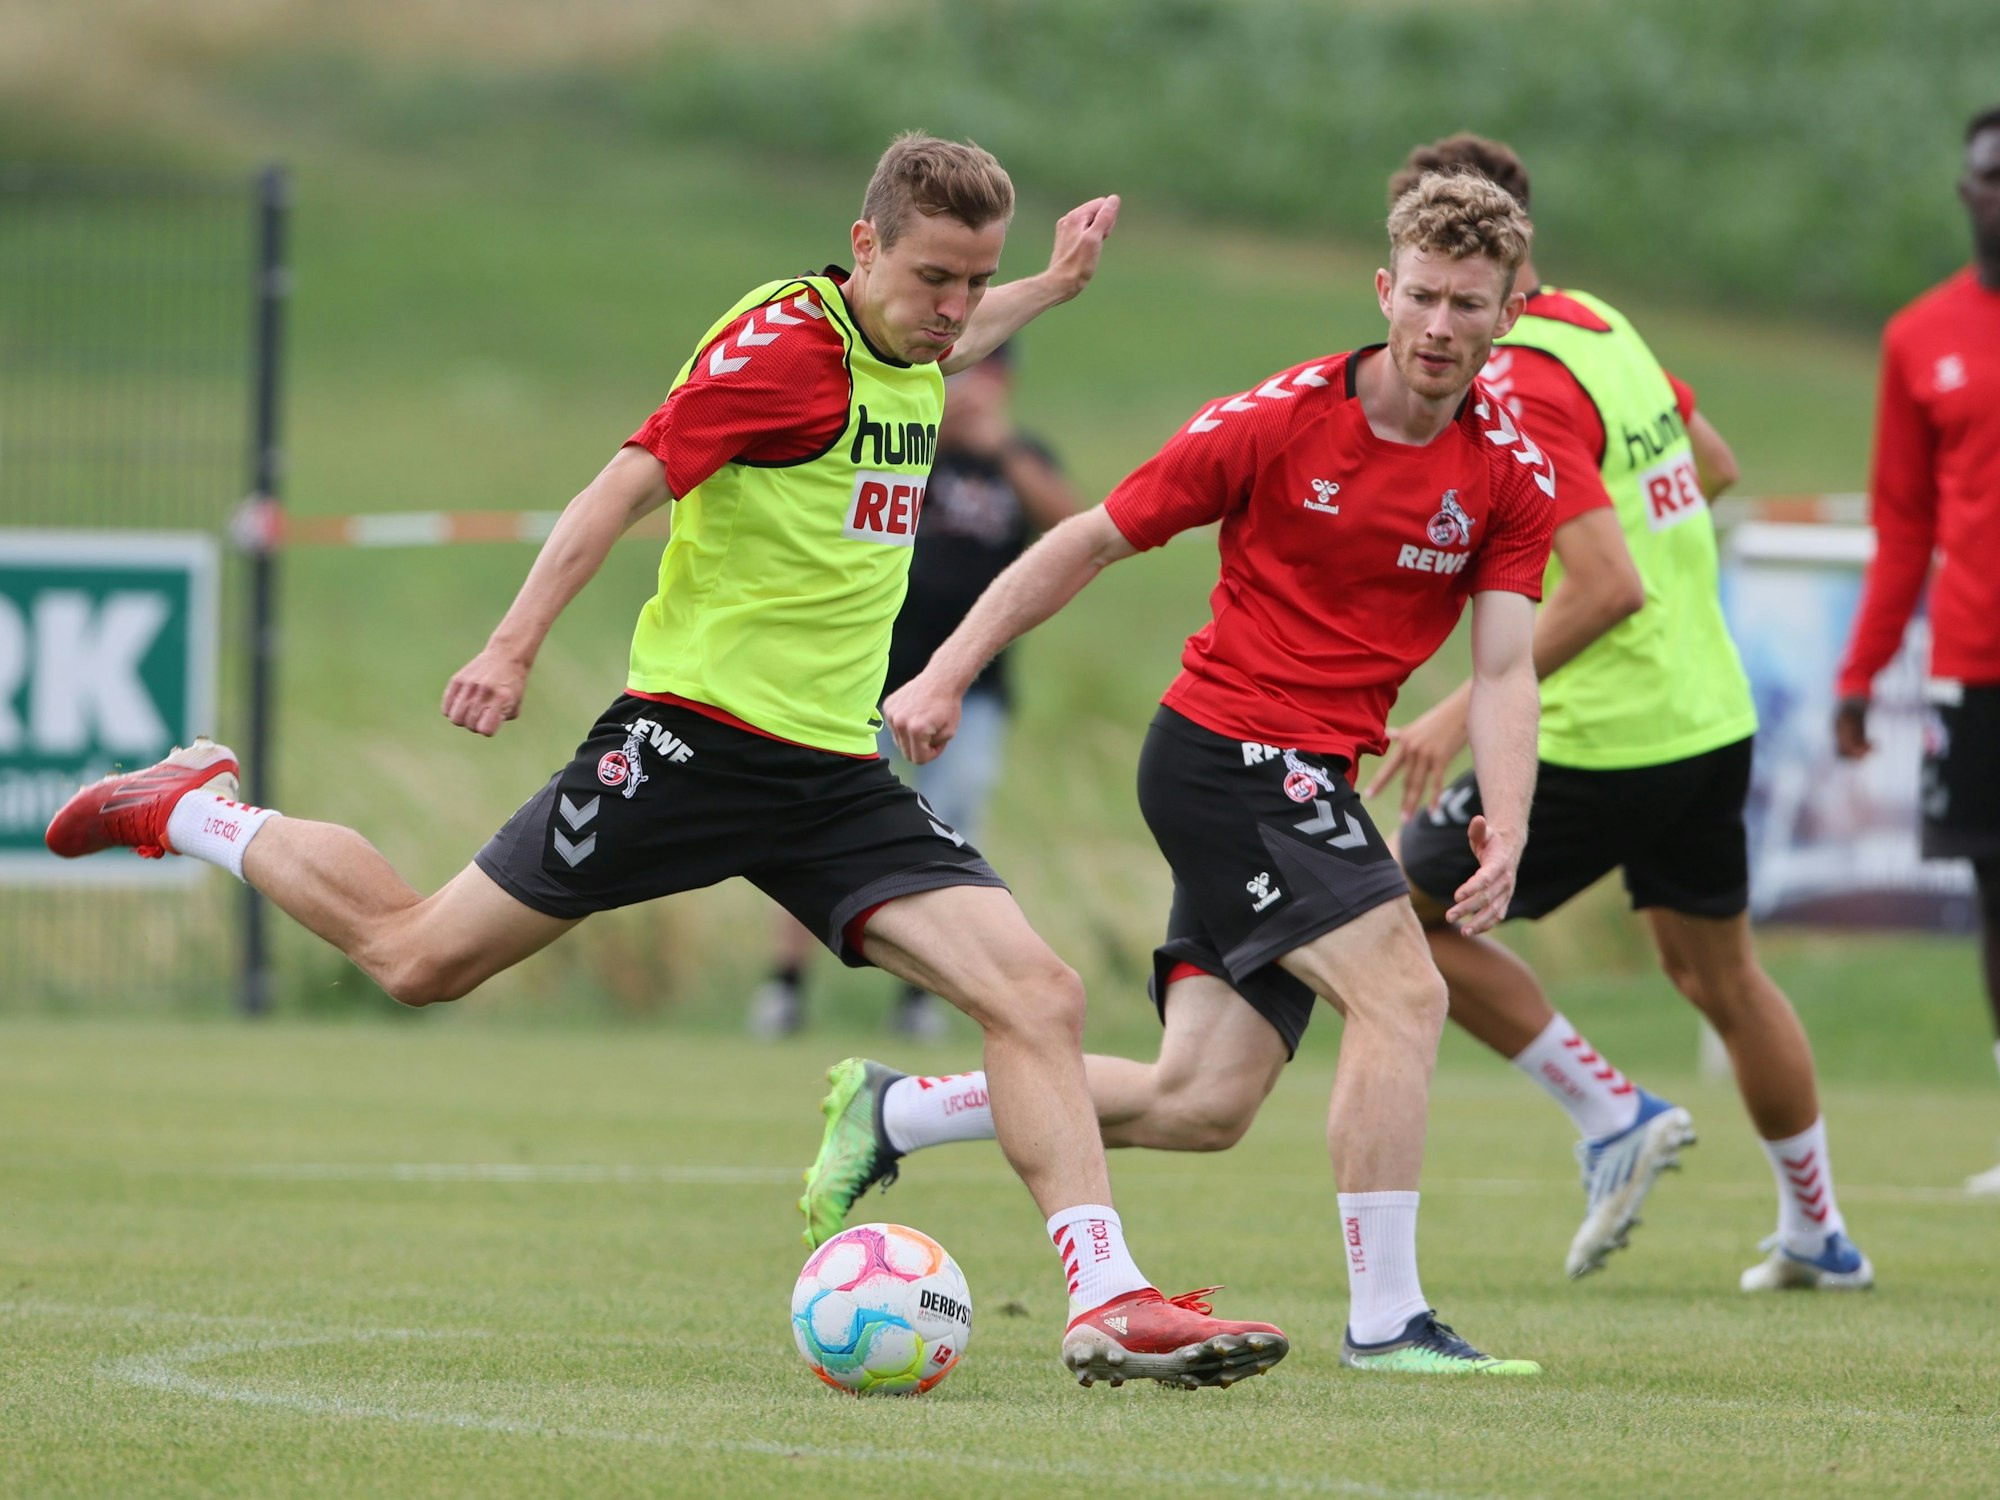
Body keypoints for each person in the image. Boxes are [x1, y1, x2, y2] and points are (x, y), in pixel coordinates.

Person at [44, 133, 1288, 1391]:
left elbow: (941, 342)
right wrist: (510, 647)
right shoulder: (782, 356)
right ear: (864, 248)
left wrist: (1050, 291)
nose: (958, 311)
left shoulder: (909, 340)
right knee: (421, 959)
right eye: (935, 279)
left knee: (1038, 996)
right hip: (690, 746)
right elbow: (617, 489)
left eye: (978, 281)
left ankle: (1108, 1301)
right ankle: (198, 810)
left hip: (829, 779)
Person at [802, 170, 1554, 1375]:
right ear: (1383, 289)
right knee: (1405, 996)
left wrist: (1504, 823)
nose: (1438, 326)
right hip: (1227, 757)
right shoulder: (1276, 421)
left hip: (1309, 777)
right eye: (1419, 296)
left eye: (1468, 304)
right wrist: (943, 673)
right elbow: (1088, 539)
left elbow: (1507, 669)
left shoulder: (1509, 474)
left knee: (1202, 1102)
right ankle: (1387, 1322)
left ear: (1507, 310)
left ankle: (896, 1110)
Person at [1376, 135, 1873, 1290]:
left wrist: (1457, 707)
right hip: (1706, 709)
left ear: (1503, 260)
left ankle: (1608, 1113)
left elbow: (1606, 585)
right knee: (1719, 979)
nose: (1438, 310)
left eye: (1457, 278)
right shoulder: (1597, 324)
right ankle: (1816, 1234)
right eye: (1423, 273)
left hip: (1604, 730)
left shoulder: (1519, 385)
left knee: (1400, 914)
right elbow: (1713, 464)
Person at [748, 342, 1079, 1040]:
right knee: (817, 818)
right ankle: (785, 986)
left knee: (948, 828)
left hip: (972, 689)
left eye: (986, 373)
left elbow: (1074, 526)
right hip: (868, 674)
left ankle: (926, 997)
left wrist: (1005, 449)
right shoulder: (907, 441)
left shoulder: (1020, 456)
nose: (971, 390)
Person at [1835, 104, 2000, 1197]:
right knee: (1994, 894)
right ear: (1963, 188)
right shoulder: (1919, 337)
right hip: (1974, 664)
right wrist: (1858, 675)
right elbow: (1903, 526)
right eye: (1988, 174)